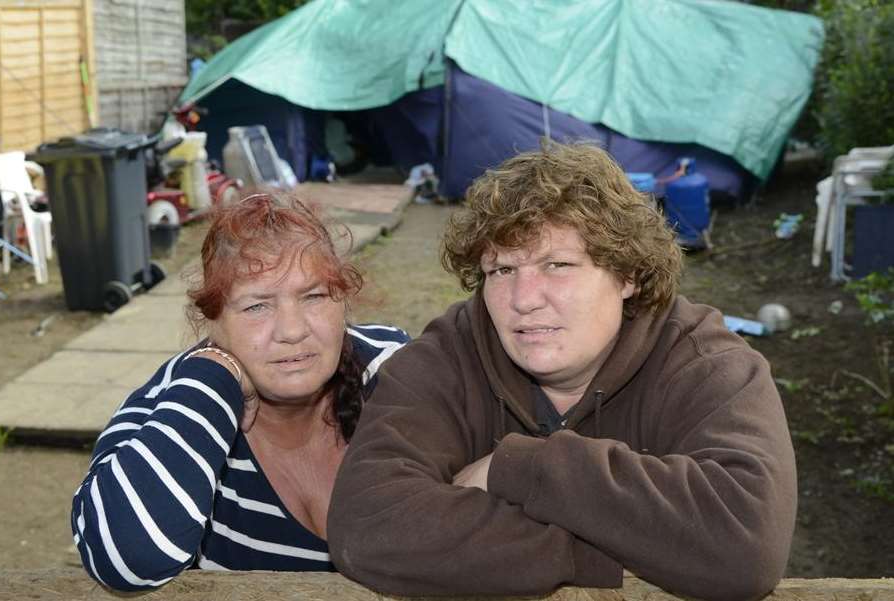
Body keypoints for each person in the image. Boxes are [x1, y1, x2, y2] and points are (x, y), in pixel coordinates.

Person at [327, 142, 797, 601]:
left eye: (558, 265)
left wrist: (517, 468)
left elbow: (745, 545)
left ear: (628, 274)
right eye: (503, 271)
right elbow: (367, 525)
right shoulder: (448, 356)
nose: (524, 299)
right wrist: (618, 547)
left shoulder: (707, 365)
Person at [71, 194, 409, 591]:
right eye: (256, 307)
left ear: (343, 300)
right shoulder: (168, 409)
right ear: (212, 321)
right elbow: (129, 559)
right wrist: (215, 375)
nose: (292, 330)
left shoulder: (391, 372)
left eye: (313, 296)